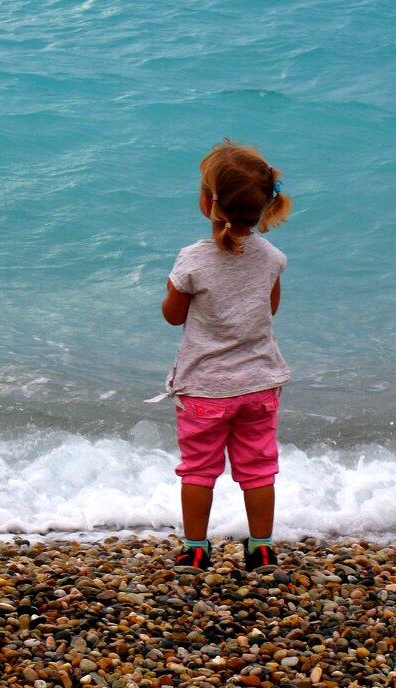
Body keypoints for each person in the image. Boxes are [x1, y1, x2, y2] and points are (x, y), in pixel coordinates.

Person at [160, 139, 292, 573]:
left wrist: (176, 290)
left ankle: (196, 548)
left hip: (205, 388)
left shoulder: (193, 260)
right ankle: (262, 548)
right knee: (258, 469)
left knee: (199, 470)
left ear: (207, 203)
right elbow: (267, 310)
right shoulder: (272, 258)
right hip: (259, 384)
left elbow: (173, 317)